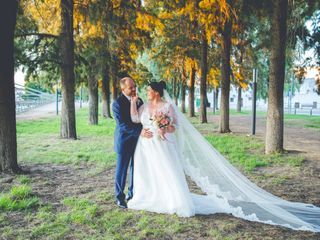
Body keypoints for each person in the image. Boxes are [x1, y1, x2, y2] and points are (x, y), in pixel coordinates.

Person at [127, 80, 320, 232]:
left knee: (167, 172)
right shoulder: (143, 106)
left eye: (149, 89)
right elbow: (136, 119)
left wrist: (165, 127)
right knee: (151, 173)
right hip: (146, 146)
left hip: (163, 145)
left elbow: (175, 125)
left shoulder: (167, 106)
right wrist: (134, 104)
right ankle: (154, 196)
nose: (146, 92)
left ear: (157, 92)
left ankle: (173, 200)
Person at [112, 77, 153, 208]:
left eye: (134, 86)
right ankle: (119, 197)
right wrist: (139, 131)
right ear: (123, 88)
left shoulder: (139, 101)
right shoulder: (117, 104)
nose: (134, 89)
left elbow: (144, 118)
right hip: (124, 141)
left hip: (138, 142)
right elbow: (123, 125)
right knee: (122, 170)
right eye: (131, 87)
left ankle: (132, 193)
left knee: (136, 168)